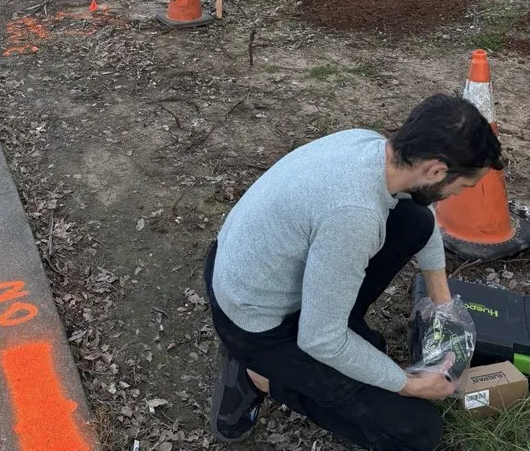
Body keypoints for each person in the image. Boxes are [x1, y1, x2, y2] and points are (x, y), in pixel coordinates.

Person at [204, 93, 504, 450]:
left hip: (239, 266)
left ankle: (323, 348)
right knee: (417, 431)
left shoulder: (367, 144)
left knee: (413, 219)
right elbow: (321, 339)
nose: (456, 195)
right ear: (436, 170)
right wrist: (408, 384)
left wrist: (442, 300)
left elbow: (422, 216)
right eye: (463, 186)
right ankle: (259, 376)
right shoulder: (354, 216)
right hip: (252, 325)